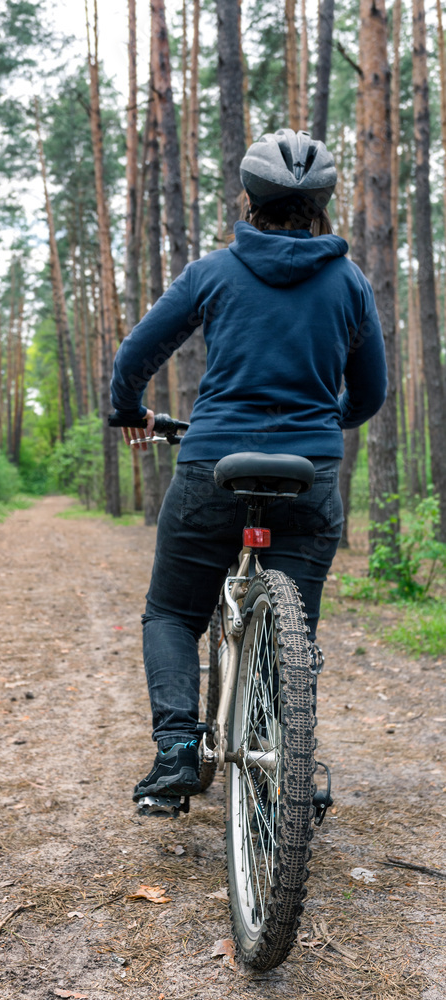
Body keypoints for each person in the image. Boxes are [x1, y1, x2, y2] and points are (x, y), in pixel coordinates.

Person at [109, 128, 388, 803]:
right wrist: (321, 426)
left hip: (212, 464)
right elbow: (371, 392)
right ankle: (282, 759)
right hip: (309, 474)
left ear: (249, 197)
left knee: (173, 613)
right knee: (297, 628)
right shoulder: (347, 281)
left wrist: (129, 411)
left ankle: (176, 752)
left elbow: (133, 359)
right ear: (321, 205)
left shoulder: (213, 272)